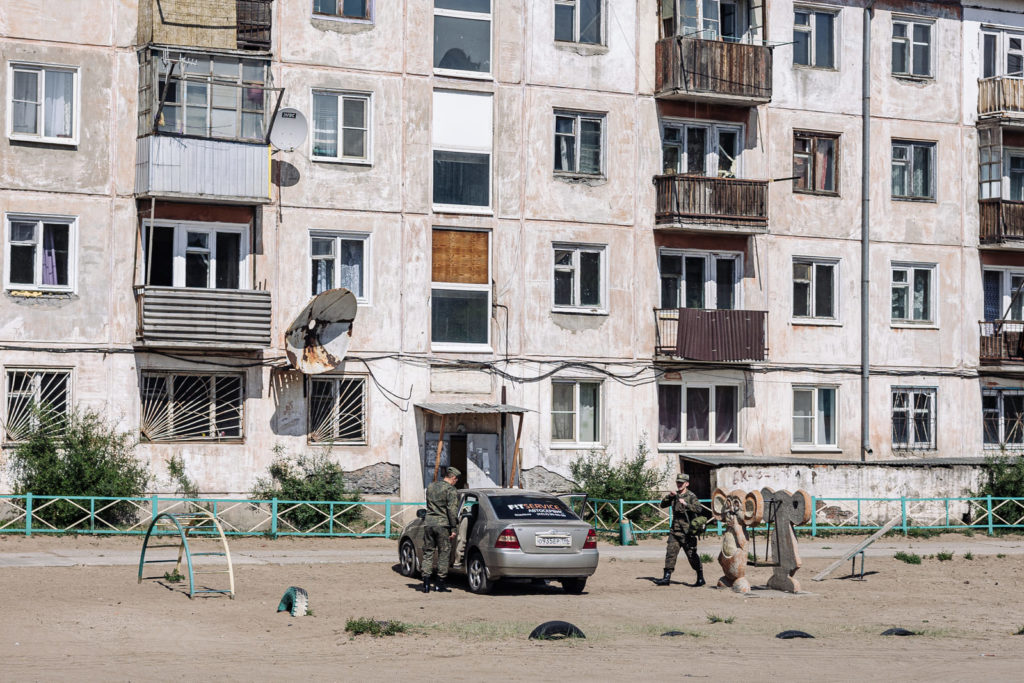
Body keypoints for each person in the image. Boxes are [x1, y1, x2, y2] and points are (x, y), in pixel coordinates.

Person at [654, 473, 705, 587]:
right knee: (670, 554)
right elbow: (662, 505)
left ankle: (700, 578)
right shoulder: (675, 495)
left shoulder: (691, 496)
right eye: (678, 482)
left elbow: (699, 509)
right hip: (675, 531)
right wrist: (669, 496)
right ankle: (666, 578)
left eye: (682, 483)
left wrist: (686, 504)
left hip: (688, 532)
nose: (679, 484)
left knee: (692, 555)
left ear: (687, 484)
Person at [421, 466, 461, 593]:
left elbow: (428, 504)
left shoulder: (431, 486)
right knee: (444, 553)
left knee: (428, 552)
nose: (456, 482)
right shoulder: (450, 490)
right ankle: (440, 584)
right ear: (453, 478)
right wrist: (453, 527)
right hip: (443, 525)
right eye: (456, 480)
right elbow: (452, 510)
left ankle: (426, 584)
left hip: (429, 523)